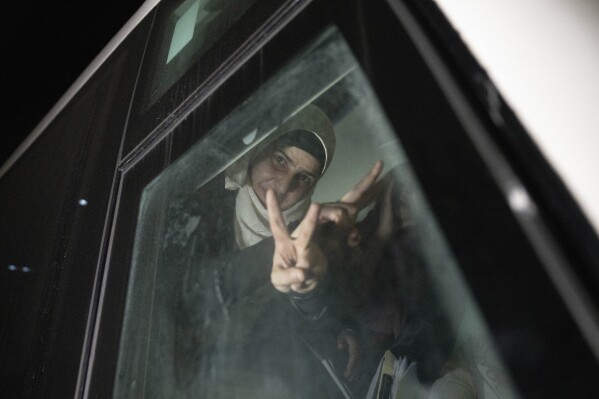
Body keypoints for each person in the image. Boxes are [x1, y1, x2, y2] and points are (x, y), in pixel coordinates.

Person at [165, 104, 382, 398]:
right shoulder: (197, 204)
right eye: (280, 160)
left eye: (304, 178)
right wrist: (270, 254)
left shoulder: (311, 240)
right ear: (259, 149)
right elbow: (184, 299)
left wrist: (309, 294)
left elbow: (310, 319)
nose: (283, 187)